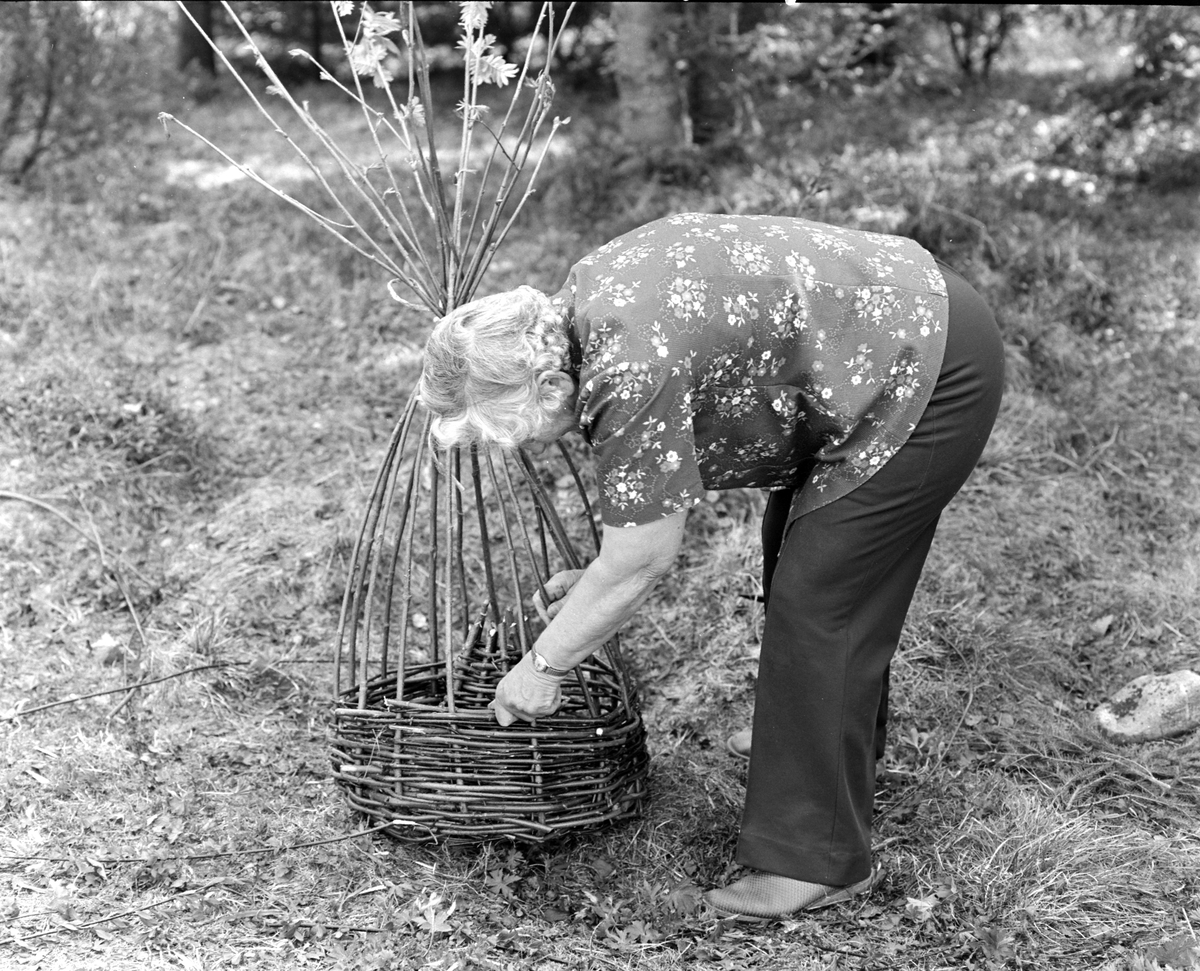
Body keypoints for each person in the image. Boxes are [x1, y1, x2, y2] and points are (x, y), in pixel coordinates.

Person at [417, 212, 1004, 919]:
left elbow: (641, 561)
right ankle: (818, 746)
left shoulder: (628, 370)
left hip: (927, 368)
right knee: (800, 561)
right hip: (899, 323)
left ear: (547, 387)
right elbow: (634, 546)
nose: (521, 445)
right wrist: (598, 586)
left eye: (506, 429)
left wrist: (543, 666)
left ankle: (813, 863)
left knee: (823, 603)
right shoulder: (577, 309)